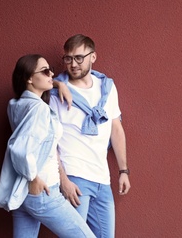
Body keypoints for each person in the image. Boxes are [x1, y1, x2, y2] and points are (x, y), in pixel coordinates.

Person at [0, 54, 95, 238]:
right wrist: (33, 178)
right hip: (43, 190)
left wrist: (58, 84)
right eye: (46, 71)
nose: (52, 74)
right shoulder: (39, 109)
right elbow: (20, 148)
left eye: (51, 70)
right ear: (30, 78)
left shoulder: (16, 104)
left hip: (24, 193)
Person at [50, 34, 131, 238]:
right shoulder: (55, 93)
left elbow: (116, 129)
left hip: (102, 179)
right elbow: (50, 141)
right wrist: (63, 180)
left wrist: (124, 170)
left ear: (93, 57)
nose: (73, 64)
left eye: (79, 58)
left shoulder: (107, 88)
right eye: (68, 59)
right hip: (75, 178)